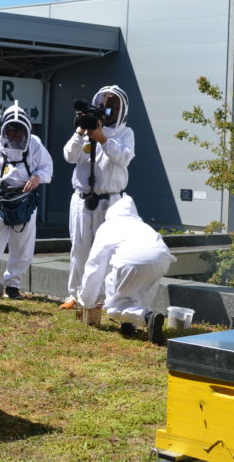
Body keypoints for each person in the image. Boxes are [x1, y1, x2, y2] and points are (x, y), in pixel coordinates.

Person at [60, 85, 134, 310]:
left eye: (113, 105)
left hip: (110, 200)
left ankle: (103, 298)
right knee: (80, 249)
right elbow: (69, 156)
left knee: (108, 252)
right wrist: (80, 132)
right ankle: (74, 295)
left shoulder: (125, 133)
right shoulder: (85, 131)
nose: (108, 108)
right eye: (105, 103)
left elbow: (124, 158)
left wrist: (102, 138)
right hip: (82, 199)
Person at [0, 103, 53, 299]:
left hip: (25, 200)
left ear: (26, 129)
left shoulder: (35, 143)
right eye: (10, 129)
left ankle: (12, 286)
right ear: (4, 129)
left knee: (22, 245)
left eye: (19, 130)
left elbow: (47, 168)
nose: (14, 134)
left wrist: (37, 178)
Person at [78, 195, 176, 345]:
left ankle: (147, 317)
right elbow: (146, 290)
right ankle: (131, 323)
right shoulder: (143, 225)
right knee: (136, 288)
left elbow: (95, 265)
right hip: (163, 259)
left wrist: (87, 300)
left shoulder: (109, 226)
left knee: (113, 307)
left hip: (133, 260)